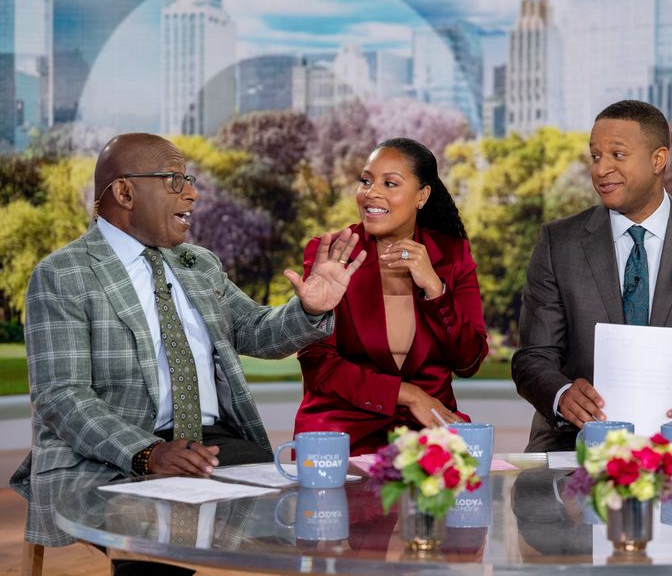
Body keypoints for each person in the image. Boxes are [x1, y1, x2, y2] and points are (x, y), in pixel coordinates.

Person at [10, 133, 366, 559]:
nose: (192, 193)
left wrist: (308, 310)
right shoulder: (63, 274)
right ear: (125, 192)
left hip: (210, 441)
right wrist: (147, 453)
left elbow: (254, 330)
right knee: (154, 537)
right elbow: (62, 397)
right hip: (110, 452)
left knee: (301, 522)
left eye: (189, 180)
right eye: (174, 180)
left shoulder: (199, 263)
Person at [512, 100, 672, 453]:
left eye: (617, 155)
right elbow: (532, 357)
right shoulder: (558, 242)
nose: (601, 169)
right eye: (596, 156)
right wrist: (563, 395)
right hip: (574, 444)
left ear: (658, 160)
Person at [293, 137, 488, 455]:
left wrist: (435, 289)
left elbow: (469, 361)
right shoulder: (331, 252)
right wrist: (408, 394)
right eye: (366, 181)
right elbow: (319, 363)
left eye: (390, 183)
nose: (371, 193)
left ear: (422, 196)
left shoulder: (453, 256)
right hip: (346, 434)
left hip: (428, 436)